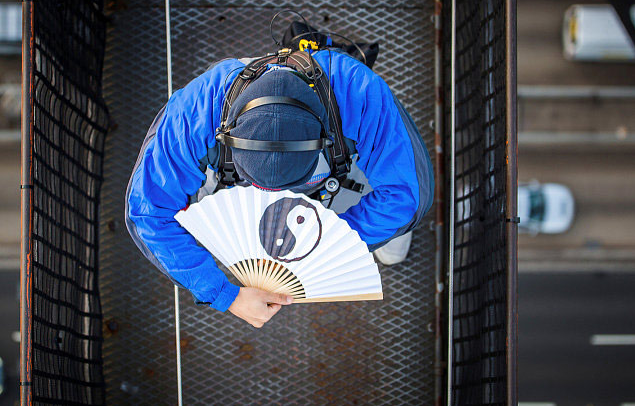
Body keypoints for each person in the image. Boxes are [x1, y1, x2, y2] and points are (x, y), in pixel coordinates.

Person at [125, 23, 433, 328]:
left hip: (339, 181)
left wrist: (329, 246)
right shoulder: (195, 109)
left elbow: (404, 194)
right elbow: (148, 212)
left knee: (394, 249)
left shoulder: (359, 91)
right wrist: (224, 294)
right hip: (227, 181)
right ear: (227, 132)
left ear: (324, 135)